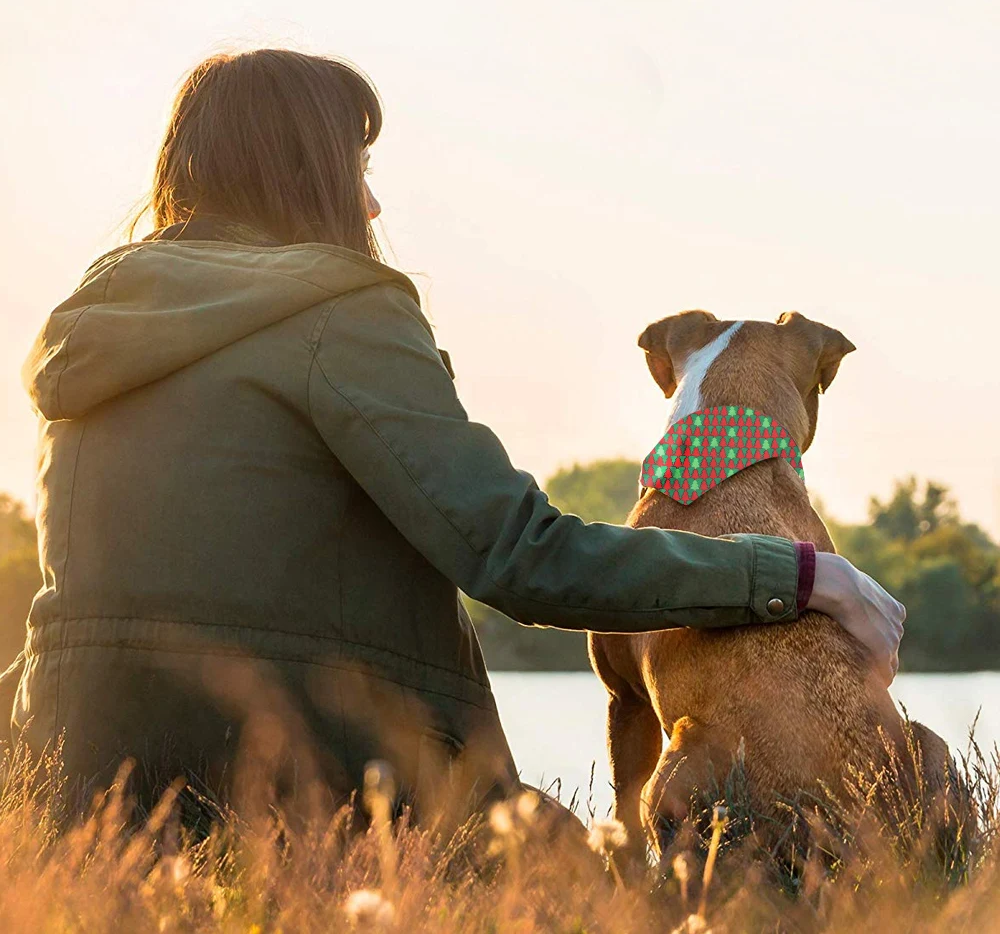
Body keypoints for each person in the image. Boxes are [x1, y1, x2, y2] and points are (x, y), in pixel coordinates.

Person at [10, 49, 904, 819]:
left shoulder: (91, 328)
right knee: (596, 889)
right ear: (300, 175)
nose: (367, 204)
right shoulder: (341, 314)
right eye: (353, 169)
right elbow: (523, 557)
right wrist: (797, 574)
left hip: (64, 771)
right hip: (309, 781)